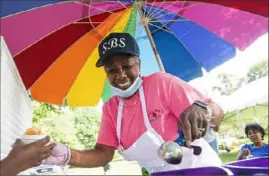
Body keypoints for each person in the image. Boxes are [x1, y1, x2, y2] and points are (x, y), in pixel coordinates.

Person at [41, 32, 224, 173]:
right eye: (112, 70)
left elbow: (217, 113)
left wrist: (204, 110)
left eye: (127, 66)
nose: (120, 75)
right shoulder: (111, 109)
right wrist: (68, 155)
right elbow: (103, 154)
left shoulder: (161, 83)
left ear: (139, 64)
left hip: (201, 169)